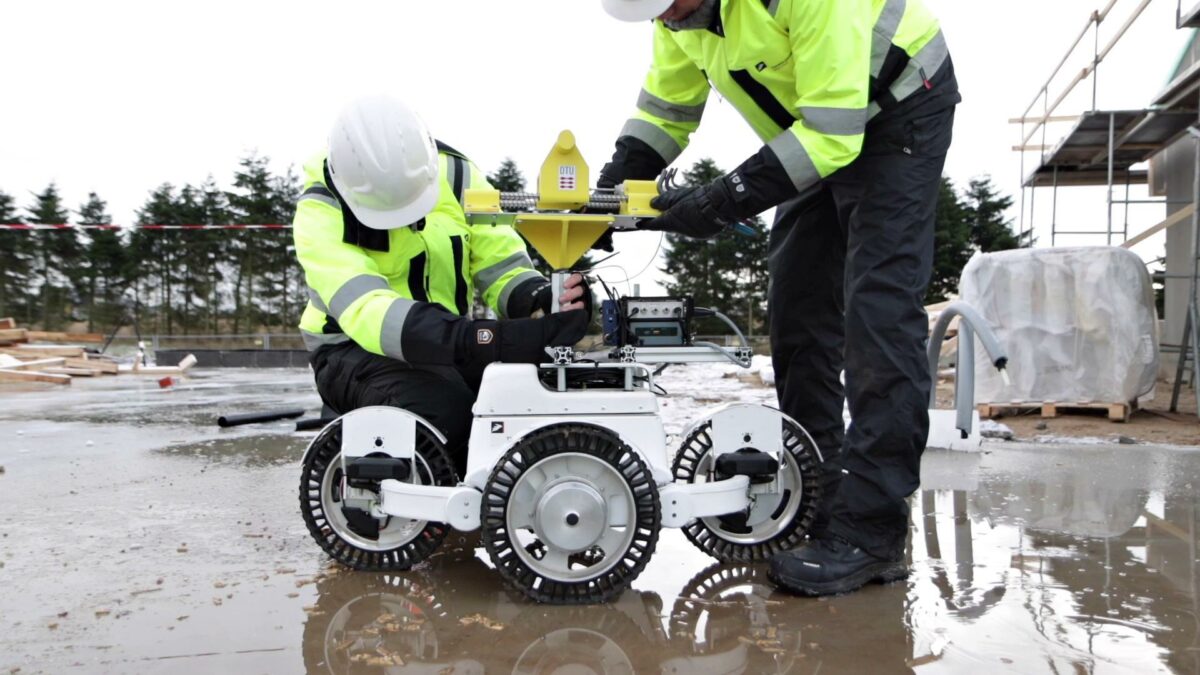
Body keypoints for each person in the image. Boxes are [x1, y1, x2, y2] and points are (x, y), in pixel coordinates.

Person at [598, 0, 959, 595]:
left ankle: (872, 533)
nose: (668, 22)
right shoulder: (675, 18)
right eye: (657, 14)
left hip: (896, 109)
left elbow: (833, 137)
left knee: (879, 315)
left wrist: (720, 200)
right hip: (817, 126)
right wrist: (612, 193)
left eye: (673, 7)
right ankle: (821, 498)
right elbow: (666, 110)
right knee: (798, 313)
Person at [293, 95, 590, 474]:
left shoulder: (461, 177)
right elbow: (367, 312)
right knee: (446, 413)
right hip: (352, 351)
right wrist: (473, 340)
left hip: (445, 343)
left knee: (524, 394)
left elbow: (499, 260)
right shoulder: (321, 207)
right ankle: (429, 507)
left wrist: (536, 299)